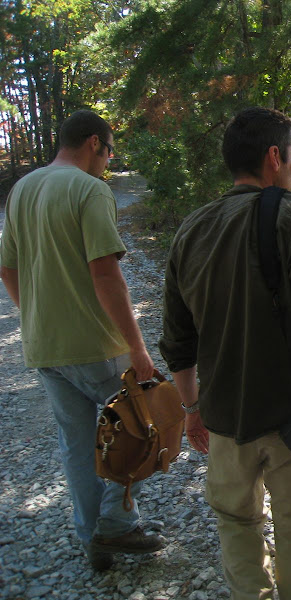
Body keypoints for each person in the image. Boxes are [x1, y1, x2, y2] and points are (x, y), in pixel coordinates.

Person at [159, 107, 291, 600]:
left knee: (236, 524)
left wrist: (192, 407)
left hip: (223, 419)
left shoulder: (191, 229)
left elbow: (177, 340)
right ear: (274, 158)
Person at [0, 109, 164, 572]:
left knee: (77, 445)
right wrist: (137, 347)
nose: (108, 161)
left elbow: (7, 268)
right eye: (109, 151)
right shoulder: (89, 190)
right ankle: (116, 523)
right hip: (96, 346)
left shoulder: (22, 189)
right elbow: (106, 274)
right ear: (94, 143)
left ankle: (93, 537)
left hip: (45, 346)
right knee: (147, 426)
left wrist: (35, 316)